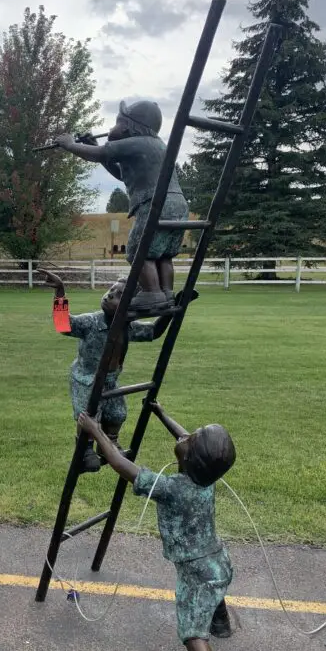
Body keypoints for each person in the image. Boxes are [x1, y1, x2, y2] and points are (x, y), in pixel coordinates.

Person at [78, 401, 236, 651]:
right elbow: (183, 438)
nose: (185, 436)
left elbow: (124, 467)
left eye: (192, 439)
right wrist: (161, 414)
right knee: (212, 592)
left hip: (197, 571)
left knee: (192, 627)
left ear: (190, 459)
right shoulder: (206, 480)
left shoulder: (172, 488)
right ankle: (220, 621)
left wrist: (95, 431)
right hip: (219, 561)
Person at [38, 269, 196, 473]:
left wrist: (175, 308)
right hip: (87, 378)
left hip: (110, 380)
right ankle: (84, 450)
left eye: (120, 295)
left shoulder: (128, 327)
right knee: (89, 414)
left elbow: (153, 332)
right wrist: (60, 291)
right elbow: (63, 325)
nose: (110, 294)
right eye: (111, 290)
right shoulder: (92, 322)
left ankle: (109, 443)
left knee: (117, 413)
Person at [54, 99, 190, 318]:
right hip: (177, 205)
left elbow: (101, 153)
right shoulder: (155, 145)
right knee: (163, 254)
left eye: (117, 122)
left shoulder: (138, 142)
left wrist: (70, 145)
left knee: (138, 250)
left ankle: (152, 293)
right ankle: (165, 293)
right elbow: (120, 173)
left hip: (155, 204)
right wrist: (94, 147)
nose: (112, 128)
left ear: (128, 126)